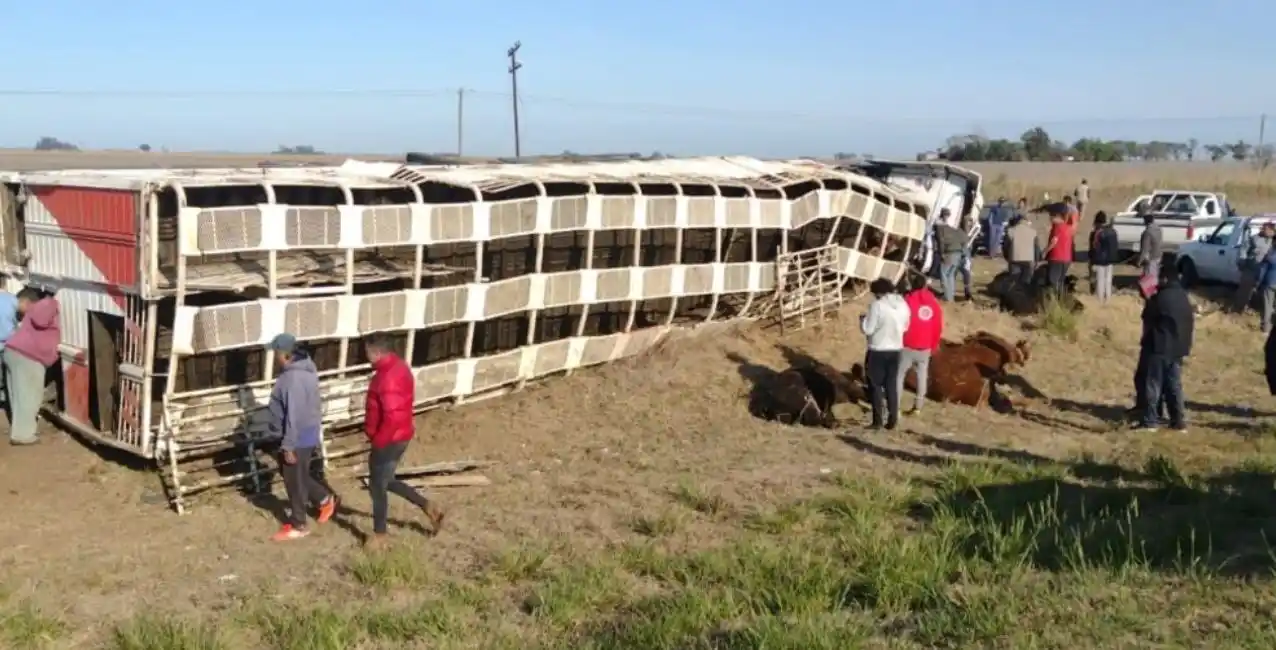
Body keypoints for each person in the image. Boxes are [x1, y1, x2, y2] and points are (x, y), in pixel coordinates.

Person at [362, 334, 445, 549]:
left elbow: (392, 416)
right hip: (401, 435)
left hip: (388, 438)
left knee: (377, 486)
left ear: (376, 352)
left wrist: (378, 440)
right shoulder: (399, 367)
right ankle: (427, 506)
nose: (366, 356)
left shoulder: (386, 377)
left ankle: (380, 535)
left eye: (367, 352)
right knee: (387, 480)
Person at [265, 333, 336, 541]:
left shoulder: (292, 378)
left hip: (295, 437)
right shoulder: (306, 370)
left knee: (293, 482)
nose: (275, 357)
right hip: (306, 433)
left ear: (284, 355)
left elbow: (293, 414)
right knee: (298, 475)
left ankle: (298, 523)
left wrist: (288, 445)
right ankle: (324, 499)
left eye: (276, 353)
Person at [1136, 255, 1194, 432]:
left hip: (1160, 346)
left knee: (1152, 383)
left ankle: (1150, 421)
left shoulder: (1161, 297)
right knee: (1173, 385)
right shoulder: (1183, 296)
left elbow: (1148, 316)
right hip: (1178, 348)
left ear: (1165, 278)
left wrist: (1148, 297)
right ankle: (1178, 421)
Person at [3, 288, 60, 446]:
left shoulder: (37, 309)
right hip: (28, 355)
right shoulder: (48, 304)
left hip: (13, 351)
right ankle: (23, 435)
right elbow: (41, 320)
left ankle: (19, 429)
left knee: (18, 396)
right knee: (29, 396)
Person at [860, 278, 911, 430]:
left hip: (877, 349)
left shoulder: (877, 306)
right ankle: (893, 418)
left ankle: (877, 421)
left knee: (875, 386)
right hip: (896, 349)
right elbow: (906, 327)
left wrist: (862, 321)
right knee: (891, 385)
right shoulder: (903, 304)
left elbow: (868, 329)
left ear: (878, 293)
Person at [897, 273, 942, 415]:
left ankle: (895, 405)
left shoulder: (907, 301)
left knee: (899, 375)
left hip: (908, 343)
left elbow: (901, 322)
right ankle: (918, 406)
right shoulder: (933, 303)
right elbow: (937, 326)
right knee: (922, 375)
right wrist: (934, 344)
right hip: (925, 346)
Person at [1233, 222, 1274, 313]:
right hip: (1250, 268)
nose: (1263, 230)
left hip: (1264, 270)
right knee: (1245, 289)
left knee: (1258, 290)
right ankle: (1239, 308)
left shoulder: (1273, 241)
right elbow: (1243, 250)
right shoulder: (1254, 238)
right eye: (1263, 228)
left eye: (1266, 229)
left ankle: (1253, 307)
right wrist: (1242, 262)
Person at [934, 209, 967, 302]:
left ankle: (947, 297)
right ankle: (950, 296)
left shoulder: (939, 228)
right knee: (951, 275)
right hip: (958, 252)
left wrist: (942, 253)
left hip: (950, 252)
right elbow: (963, 238)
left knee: (944, 274)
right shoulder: (951, 228)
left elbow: (941, 241)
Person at [1089, 212, 1120, 304]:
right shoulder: (1113, 232)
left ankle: (1100, 300)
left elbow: (1094, 247)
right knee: (1108, 281)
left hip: (1099, 260)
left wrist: (1092, 259)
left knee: (1100, 281)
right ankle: (1108, 300)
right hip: (1110, 260)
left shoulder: (1097, 233)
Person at [1041, 210, 1075, 294]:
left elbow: (1054, 241)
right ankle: (1061, 299)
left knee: (1053, 281)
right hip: (1067, 258)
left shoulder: (1057, 227)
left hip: (1056, 257)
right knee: (1060, 281)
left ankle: (1053, 300)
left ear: (1056, 216)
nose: (1050, 219)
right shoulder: (1068, 227)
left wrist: (1045, 251)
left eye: (1051, 217)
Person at [1002, 214, 1038, 287]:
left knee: (1014, 280)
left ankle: (1012, 295)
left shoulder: (1010, 231)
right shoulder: (1033, 232)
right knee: (1026, 282)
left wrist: (1007, 257)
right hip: (1029, 260)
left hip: (1014, 259)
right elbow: (1036, 248)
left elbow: (1005, 247)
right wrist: (1036, 260)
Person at [1136, 205, 1163, 283]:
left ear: (1145, 220)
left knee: (1149, 281)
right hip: (1158, 256)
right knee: (1154, 278)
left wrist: (1139, 261)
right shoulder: (1159, 229)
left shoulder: (1147, 232)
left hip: (1151, 259)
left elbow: (1145, 249)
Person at [1256, 245, 1276, 333]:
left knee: (1268, 306)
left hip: (1270, 281)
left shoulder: (1270, 255)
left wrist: (1258, 282)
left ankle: (1265, 328)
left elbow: (1263, 270)